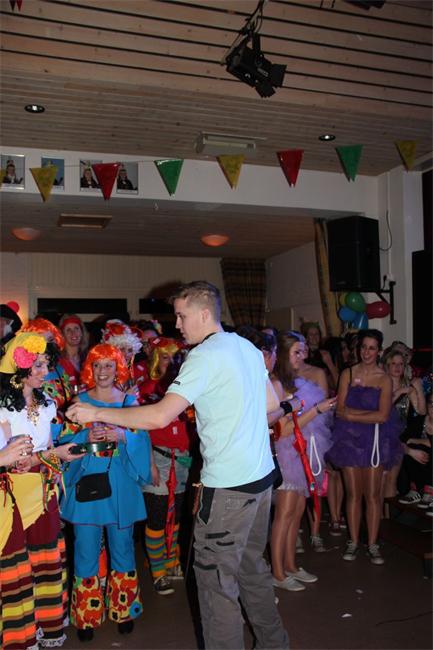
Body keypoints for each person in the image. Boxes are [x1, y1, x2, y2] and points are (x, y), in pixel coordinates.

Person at [67, 280, 290, 650]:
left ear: (204, 314)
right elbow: (270, 405)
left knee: (217, 587)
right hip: (261, 481)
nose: (178, 324)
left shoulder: (205, 355)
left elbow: (158, 417)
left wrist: (95, 412)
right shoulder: (246, 347)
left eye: (182, 316)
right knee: (252, 569)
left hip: (229, 488)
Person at [60, 344, 152, 642]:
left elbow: (143, 438)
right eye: (97, 365)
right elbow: (62, 442)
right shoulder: (79, 401)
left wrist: (123, 435)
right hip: (87, 486)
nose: (102, 371)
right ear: (90, 368)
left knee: (123, 547)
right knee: (85, 548)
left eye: (108, 365)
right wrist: (85, 435)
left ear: (118, 369)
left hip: (121, 486)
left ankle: (124, 611)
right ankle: (86, 617)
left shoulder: (129, 402)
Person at [0, 332, 83, 649]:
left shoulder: (47, 403)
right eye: (37, 365)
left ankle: (46, 626)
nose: (45, 371)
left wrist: (61, 457)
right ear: (19, 368)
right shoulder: (3, 408)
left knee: (45, 558)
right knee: (16, 564)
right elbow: (14, 463)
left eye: (47, 364)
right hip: (12, 494)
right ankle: (20, 634)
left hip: (44, 488)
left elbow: (47, 449)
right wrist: (53, 455)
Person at [327, 329, 403, 565]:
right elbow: (339, 410)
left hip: (375, 442)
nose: (366, 352)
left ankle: (372, 544)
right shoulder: (348, 373)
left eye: (372, 348)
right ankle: (352, 541)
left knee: (372, 496)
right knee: (353, 494)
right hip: (349, 441)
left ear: (379, 351)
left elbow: (382, 416)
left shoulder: (384, 379)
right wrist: (360, 415)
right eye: (363, 347)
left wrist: (352, 415)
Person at [270, 331, 336, 592]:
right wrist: (316, 410)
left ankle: (290, 565)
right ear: (284, 354)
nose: (302, 356)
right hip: (286, 454)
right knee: (284, 515)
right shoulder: (276, 384)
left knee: (296, 513)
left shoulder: (297, 382)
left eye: (303, 351)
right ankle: (277, 572)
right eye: (296, 352)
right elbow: (284, 429)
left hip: (302, 452)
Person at [140, 336, 194, 595]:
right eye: (164, 357)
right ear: (155, 359)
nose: (170, 362)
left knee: (177, 518)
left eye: (175, 357)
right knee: (157, 518)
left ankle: (172, 563)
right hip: (157, 458)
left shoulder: (188, 387)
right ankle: (158, 571)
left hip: (183, 460)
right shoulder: (147, 389)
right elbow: (140, 432)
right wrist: (149, 464)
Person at [382, 348, 426, 500]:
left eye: (400, 364)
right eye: (393, 364)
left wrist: (418, 390)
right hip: (381, 435)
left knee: (391, 481)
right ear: (387, 366)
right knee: (380, 480)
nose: (397, 367)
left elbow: (421, 411)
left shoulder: (408, 386)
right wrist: (400, 392)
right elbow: (382, 409)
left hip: (400, 437)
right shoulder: (381, 384)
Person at [301, 322, 338, 391]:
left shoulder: (326, 353)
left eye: (316, 334)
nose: (314, 336)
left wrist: (329, 363)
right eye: (311, 334)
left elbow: (336, 385)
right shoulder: (302, 355)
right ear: (306, 337)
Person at [58, 314, 89, 392]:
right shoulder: (58, 361)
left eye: (76, 328)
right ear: (62, 335)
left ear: (82, 332)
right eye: (68, 330)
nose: (73, 333)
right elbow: (57, 389)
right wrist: (76, 389)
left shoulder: (89, 358)